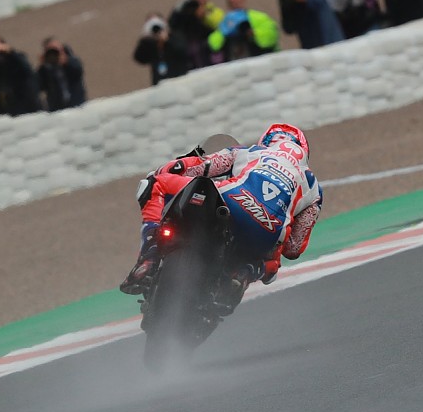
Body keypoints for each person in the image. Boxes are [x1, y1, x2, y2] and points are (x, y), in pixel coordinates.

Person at [119, 123, 323, 316]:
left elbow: (195, 167)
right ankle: (244, 273)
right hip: (266, 230)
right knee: (273, 260)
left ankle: (150, 255)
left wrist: (173, 166)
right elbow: (294, 249)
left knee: (156, 183)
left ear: (268, 141)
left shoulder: (250, 152)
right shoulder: (313, 187)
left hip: (228, 200)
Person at [207, 0, 279, 63]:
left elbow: (272, 34)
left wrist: (254, 33)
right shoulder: (225, 22)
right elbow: (214, 44)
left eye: (239, 1)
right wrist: (224, 31)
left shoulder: (259, 17)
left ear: (244, 0)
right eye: (233, 3)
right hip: (235, 60)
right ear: (229, 5)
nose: (237, 4)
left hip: (258, 59)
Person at [168, 0, 224, 70]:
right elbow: (173, 24)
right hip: (193, 53)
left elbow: (219, 25)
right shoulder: (186, 14)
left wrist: (205, 17)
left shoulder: (215, 11)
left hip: (211, 51)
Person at [279, 0, 345, 49]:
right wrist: (287, 9)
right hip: (312, 48)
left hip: (332, 42)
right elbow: (288, 29)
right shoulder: (292, 5)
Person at [0, 36, 42, 117]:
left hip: (28, 100)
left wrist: (11, 52)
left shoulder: (16, 56)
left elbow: (27, 70)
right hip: (12, 105)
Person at [133, 13, 189, 86]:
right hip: (160, 84)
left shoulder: (175, 36)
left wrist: (167, 40)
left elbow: (182, 51)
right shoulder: (150, 44)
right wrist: (144, 41)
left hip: (179, 80)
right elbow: (139, 58)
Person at [36, 37, 87, 111]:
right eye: (52, 51)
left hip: (77, 107)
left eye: (57, 49)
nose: (55, 53)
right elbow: (39, 86)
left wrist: (66, 62)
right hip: (57, 110)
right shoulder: (46, 69)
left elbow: (78, 71)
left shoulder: (72, 60)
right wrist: (42, 66)